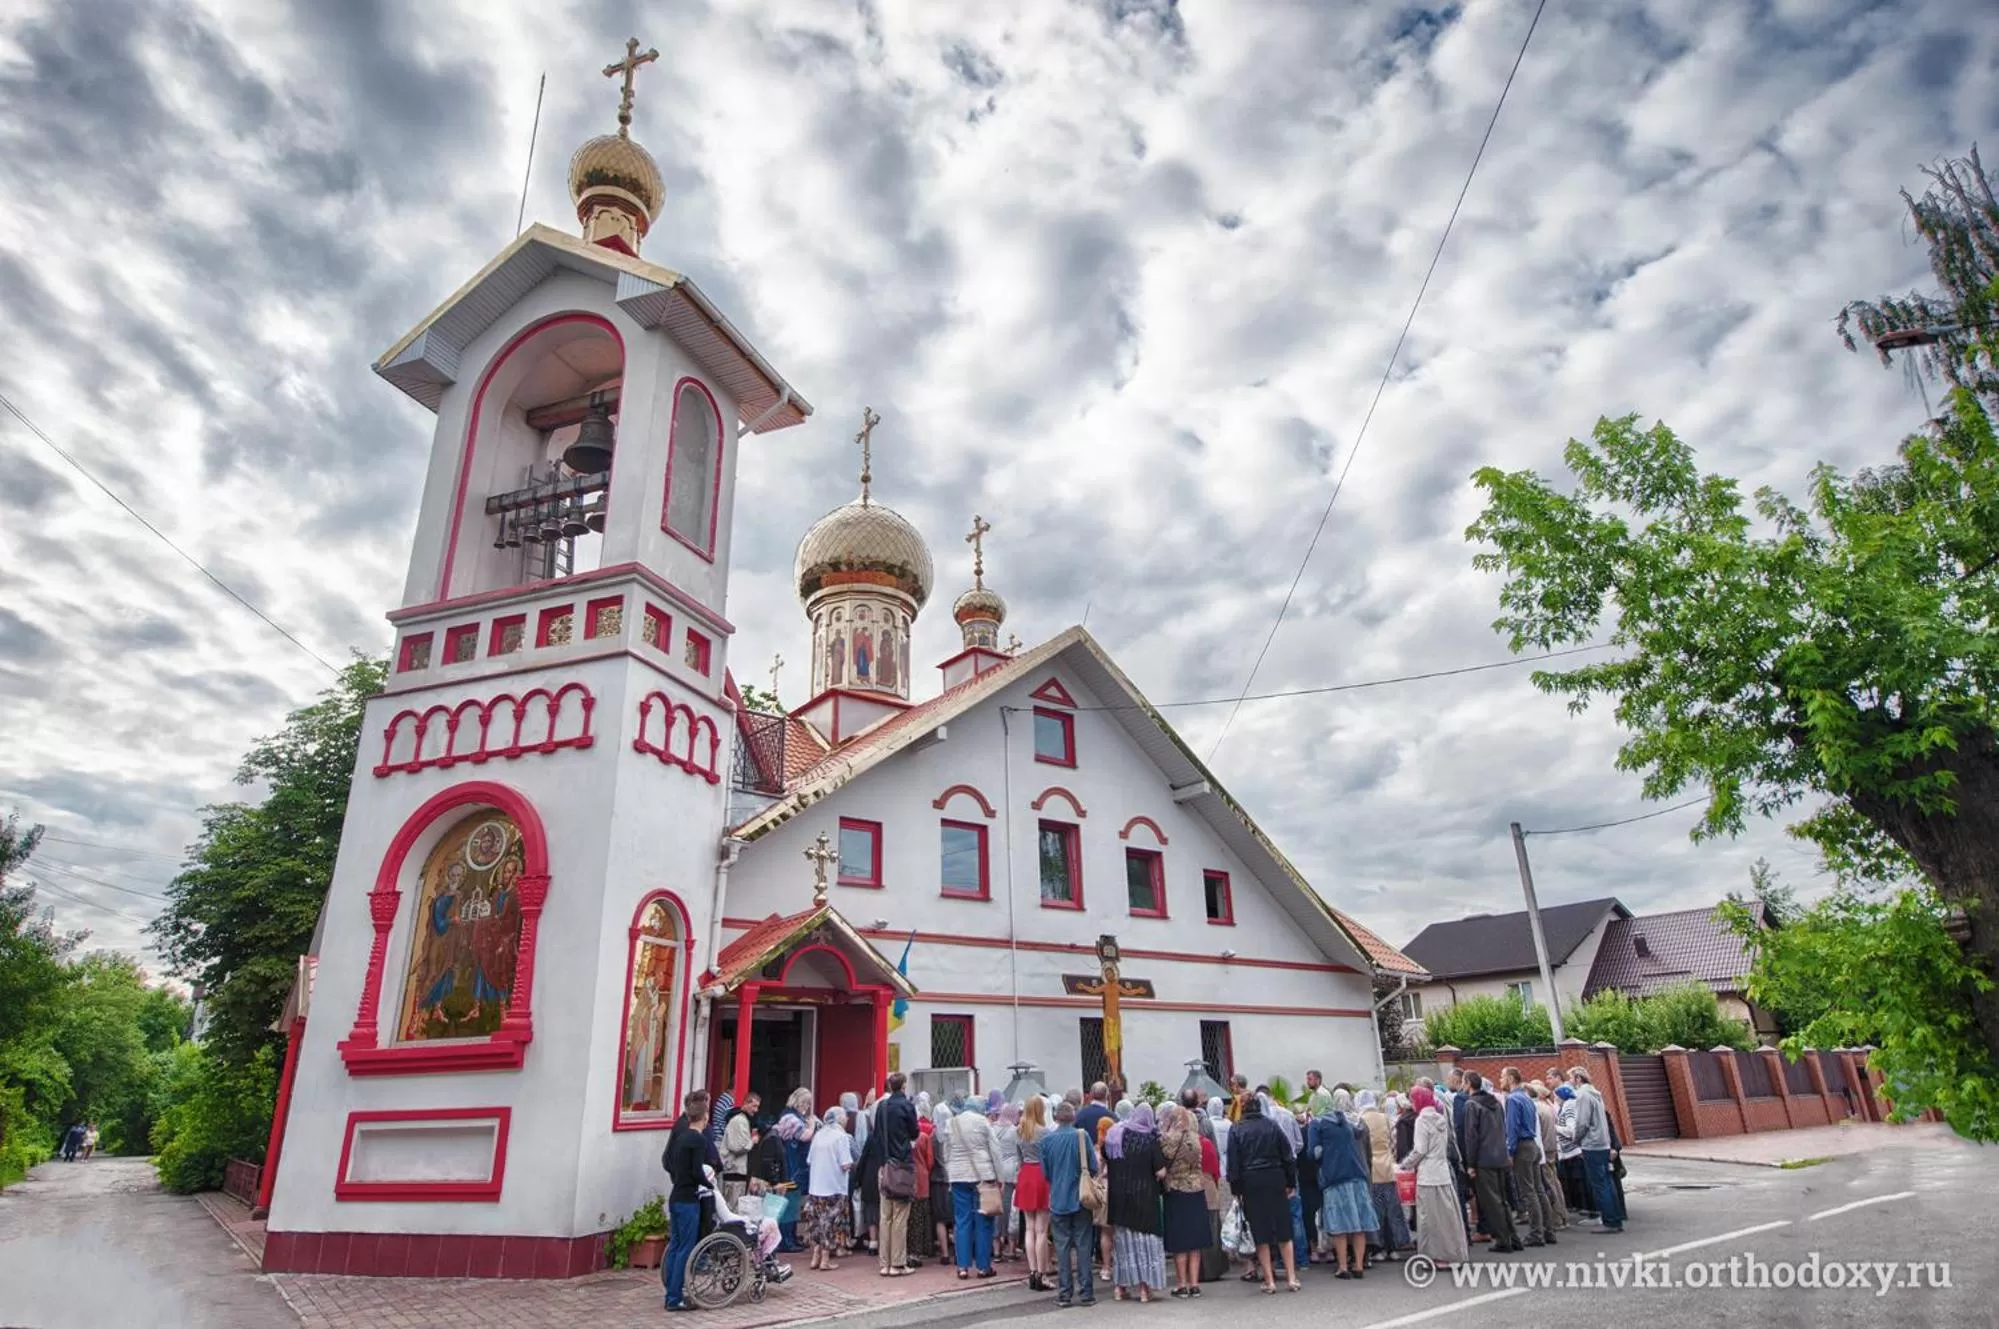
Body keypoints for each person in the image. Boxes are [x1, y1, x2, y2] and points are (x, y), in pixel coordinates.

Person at [1227, 1092, 1298, 1293]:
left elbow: (1234, 1163)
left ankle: (1269, 1280)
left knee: (1261, 1232)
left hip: (1252, 1182)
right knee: (1284, 1229)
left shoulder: (1237, 1129)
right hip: (1275, 1177)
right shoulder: (1272, 1125)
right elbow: (1288, 1156)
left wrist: (1236, 1191)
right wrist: (1290, 1182)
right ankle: (1292, 1277)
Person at [1399, 1086, 1469, 1268]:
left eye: (1413, 1100)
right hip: (1442, 1172)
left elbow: (1420, 1149)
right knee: (1447, 1218)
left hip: (1428, 1175)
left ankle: (1435, 1255)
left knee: (1429, 1218)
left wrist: (1405, 1164)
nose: (1411, 1104)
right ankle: (1452, 1253)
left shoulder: (1422, 1120)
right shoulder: (1440, 1118)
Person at [1104, 1102, 1167, 1302]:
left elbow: (1105, 1157)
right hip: (1145, 1201)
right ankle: (1144, 1289)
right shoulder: (1150, 1140)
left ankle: (1120, 1288)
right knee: (1145, 1245)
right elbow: (1160, 1171)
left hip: (1120, 1201)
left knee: (1123, 1246)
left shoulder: (1116, 1136)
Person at [1308, 1089, 1372, 1278]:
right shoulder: (1345, 1120)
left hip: (1334, 1177)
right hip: (1357, 1175)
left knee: (1339, 1225)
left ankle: (1343, 1266)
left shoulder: (1317, 1124)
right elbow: (1359, 1133)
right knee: (1359, 1223)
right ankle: (1359, 1265)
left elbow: (1314, 1153)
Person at [1043, 1099, 1101, 1307]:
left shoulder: (1047, 1140)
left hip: (1058, 1199)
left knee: (1062, 1247)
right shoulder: (1081, 1136)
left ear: (1056, 1117)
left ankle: (1064, 1293)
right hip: (1081, 1198)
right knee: (1084, 1245)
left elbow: (1046, 1173)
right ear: (1073, 1117)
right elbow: (1093, 1167)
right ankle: (1086, 1293)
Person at [662, 1090, 711, 1312]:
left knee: (675, 1245)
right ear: (705, 1117)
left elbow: (671, 1162)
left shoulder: (680, 1136)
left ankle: (671, 1292)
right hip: (689, 1198)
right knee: (685, 1248)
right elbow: (697, 1171)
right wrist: (708, 1184)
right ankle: (675, 1297)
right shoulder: (697, 1140)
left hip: (676, 1195)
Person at [1461, 1072, 1520, 1252]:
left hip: (1484, 1159)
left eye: (1464, 1083)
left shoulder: (1471, 1105)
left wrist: (1470, 1163)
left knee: (1491, 1201)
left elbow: (1471, 1136)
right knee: (1503, 1199)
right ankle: (1513, 1237)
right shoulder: (1496, 1102)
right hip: (1500, 1155)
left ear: (1469, 1084)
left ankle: (1503, 1240)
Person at [943, 1093, 999, 1279]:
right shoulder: (983, 1122)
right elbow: (994, 1150)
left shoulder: (952, 1123)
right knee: (984, 1221)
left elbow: (946, 1152)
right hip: (983, 1176)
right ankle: (983, 1266)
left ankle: (962, 1267)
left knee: (962, 1221)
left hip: (958, 1176)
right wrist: (999, 1177)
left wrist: (950, 1173)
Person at [1501, 1068, 1557, 1248]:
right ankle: (1549, 1230)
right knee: (1539, 1189)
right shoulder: (1527, 1098)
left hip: (1522, 1147)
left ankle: (1536, 1233)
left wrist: (1510, 1151)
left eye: (1502, 1077)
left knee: (1528, 1191)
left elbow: (1512, 1127)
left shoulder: (1512, 1099)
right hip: (1533, 1144)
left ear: (1510, 1078)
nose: (1500, 1080)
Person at [1159, 1104, 1208, 1297]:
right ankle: (1195, 1283)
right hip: (1196, 1188)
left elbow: (1163, 1162)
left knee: (1180, 1241)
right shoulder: (1196, 1139)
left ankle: (1181, 1284)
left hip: (1176, 1189)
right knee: (1195, 1240)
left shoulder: (1168, 1140)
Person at [1568, 1068, 1625, 1233]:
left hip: (1591, 1144)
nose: (1570, 1082)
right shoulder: (1596, 1093)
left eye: (1571, 1078)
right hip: (1602, 1143)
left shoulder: (1582, 1095)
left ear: (1578, 1078)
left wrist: (1576, 1139)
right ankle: (1616, 1218)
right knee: (1607, 1182)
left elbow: (1582, 1123)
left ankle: (1610, 1222)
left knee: (1599, 1185)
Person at [1357, 1090, 1410, 1260]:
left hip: (1372, 1167)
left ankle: (1378, 1248)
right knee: (1392, 1209)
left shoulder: (1361, 1120)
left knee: (1376, 1209)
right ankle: (1394, 1247)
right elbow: (1392, 1142)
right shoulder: (1384, 1117)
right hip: (1387, 1166)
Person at [876, 1072, 920, 1276]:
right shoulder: (907, 1106)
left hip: (885, 1165)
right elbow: (914, 1133)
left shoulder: (881, 1107)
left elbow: (876, 1134)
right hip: (902, 1165)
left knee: (886, 1216)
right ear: (903, 1086)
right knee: (901, 1216)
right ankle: (898, 1263)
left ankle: (884, 1263)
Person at [801, 1105, 855, 1270]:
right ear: (840, 1119)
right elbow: (845, 1164)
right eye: (845, 1116)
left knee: (817, 1222)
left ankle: (815, 1256)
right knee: (830, 1223)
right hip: (834, 1186)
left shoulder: (818, 1136)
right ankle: (825, 1259)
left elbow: (809, 1160)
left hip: (816, 1186)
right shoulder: (841, 1137)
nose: (847, 1119)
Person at [1015, 1095, 1053, 1290]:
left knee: (1029, 1228)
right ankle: (1042, 1274)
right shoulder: (1045, 1132)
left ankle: (1032, 1271)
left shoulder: (1020, 1131)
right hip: (1041, 1175)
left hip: (1025, 1175)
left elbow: (1019, 1158)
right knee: (1041, 1230)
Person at [774, 1089, 817, 1252]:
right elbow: (804, 1136)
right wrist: (811, 1125)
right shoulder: (790, 1118)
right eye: (806, 1103)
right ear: (799, 1102)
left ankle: (790, 1237)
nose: (806, 1107)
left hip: (793, 1166)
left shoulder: (789, 1116)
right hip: (790, 1168)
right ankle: (786, 1240)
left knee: (792, 1202)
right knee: (789, 1203)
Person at [1528, 1082, 1568, 1229]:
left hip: (1544, 1150)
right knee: (1555, 1183)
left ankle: (1556, 1218)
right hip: (1552, 1148)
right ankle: (1562, 1215)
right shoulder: (1548, 1108)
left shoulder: (1537, 1109)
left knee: (1549, 1185)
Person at [1553, 1084, 1594, 1220]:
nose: (1555, 1098)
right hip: (1570, 1151)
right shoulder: (1566, 1106)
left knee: (1580, 1182)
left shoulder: (1568, 1107)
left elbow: (1571, 1130)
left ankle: (1588, 1210)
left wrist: (1556, 1128)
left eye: (1556, 1096)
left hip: (1573, 1151)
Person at [992, 1101, 1022, 1263]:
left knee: (995, 1210)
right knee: (1011, 1211)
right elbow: (1019, 1152)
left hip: (995, 1172)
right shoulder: (1015, 1131)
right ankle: (1011, 1248)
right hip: (1011, 1173)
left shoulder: (991, 1129)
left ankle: (996, 1248)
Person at [721, 1091, 760, 1205]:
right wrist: (752, 1141)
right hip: (735, 1170)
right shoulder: (740, 1121)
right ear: (746, 1103)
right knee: (734, 1206)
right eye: (754, 1106)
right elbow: (738, 1147)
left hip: (735, 1171)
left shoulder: (741, 1120)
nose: (756, 1110)